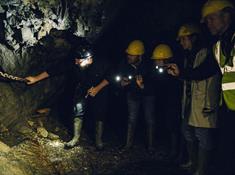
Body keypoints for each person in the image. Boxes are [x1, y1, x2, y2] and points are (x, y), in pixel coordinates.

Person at [26, 40, 111, 150]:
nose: (76, 62)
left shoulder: (101, 63)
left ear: (89, 59)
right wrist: (35, 78)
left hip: (100, 89)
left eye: (79, 61)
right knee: (78, 110)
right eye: (75, 60)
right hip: (83, 88)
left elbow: (111, 76)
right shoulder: (74, 63)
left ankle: (98, 141)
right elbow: (54, 70)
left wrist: (97, 88)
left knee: (99, 112)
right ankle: (75, 138)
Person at [169, 23, 221, 175]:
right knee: (186, 130)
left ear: (194, 38)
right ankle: (193, 162)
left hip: (205, 100)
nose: (181, 42)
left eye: (184, 39)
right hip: (191, 101)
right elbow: (189, 77)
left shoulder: (207, 53)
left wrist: (181, 73)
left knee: (202, 135)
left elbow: (201, 73)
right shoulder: (189, 56)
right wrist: (178, 75)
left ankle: (201, 169)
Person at [116, 40, 155, 153]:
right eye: (128, 54)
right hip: (133, 94)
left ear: (139, 56)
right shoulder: (124, 63)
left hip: (148, 95)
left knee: (150, 120)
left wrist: (143, 85)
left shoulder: (148, 65)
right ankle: (128, 145)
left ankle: (151, 146)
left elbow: (155, 83)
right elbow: (118, 79)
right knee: (132, 119)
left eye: (132, 55)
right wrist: (121, 84)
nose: (129, 56)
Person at [150, 44, 181, 161]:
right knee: (166, 124)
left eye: (158, 59)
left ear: (165, 59)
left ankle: (175, 151)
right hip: (163, 102)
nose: (155, 62)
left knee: (173, 126)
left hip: (173, 102)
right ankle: (169, 149)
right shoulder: (157, 72)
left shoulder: (174, 71)